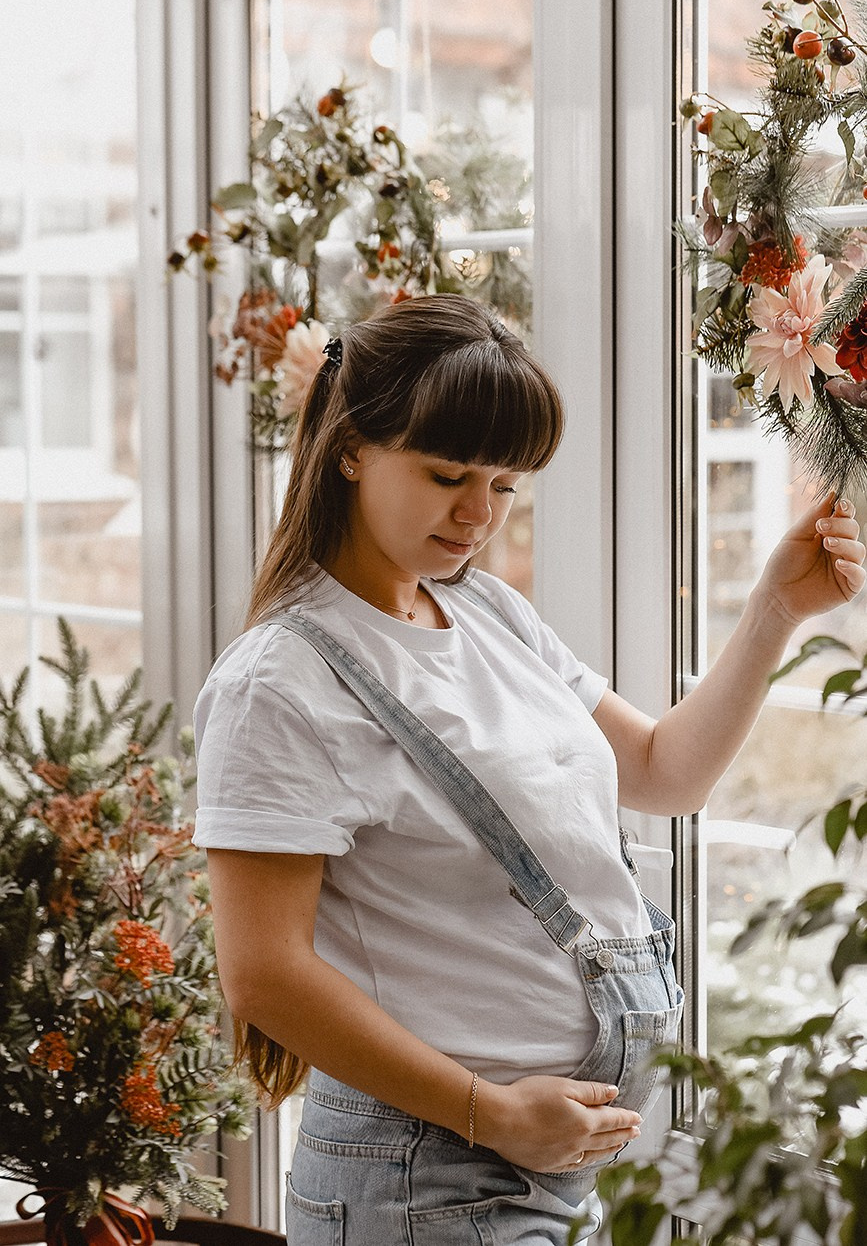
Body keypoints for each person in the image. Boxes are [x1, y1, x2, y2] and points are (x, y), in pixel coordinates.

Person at [193, 293, 865, 1246]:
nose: (479, 514)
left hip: (539, 1168)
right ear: (349, 449)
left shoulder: (487, 614)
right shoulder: (282, 680)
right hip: (425, 1175)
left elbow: (663, 773)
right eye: (446, 474)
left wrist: (771, 613)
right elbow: (263, 974)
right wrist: (487, 1110)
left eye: (504, 484)